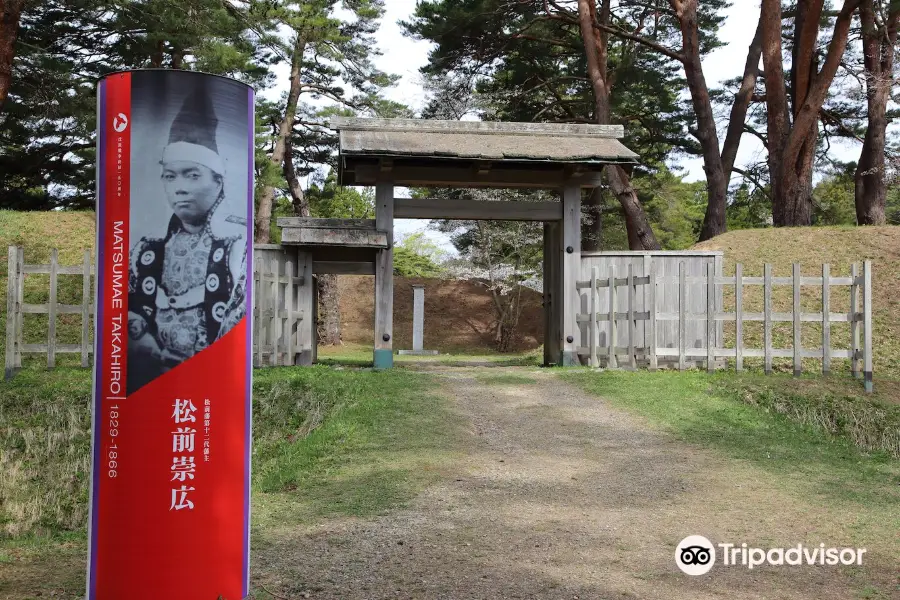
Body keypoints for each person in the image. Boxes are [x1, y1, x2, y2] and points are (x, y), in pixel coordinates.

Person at [127, 89, 247, 395]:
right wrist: (143, 342)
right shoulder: (146, 249)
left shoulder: (237, 246)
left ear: (218, 180)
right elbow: (126, 308)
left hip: (211, 385)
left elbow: (237, 323)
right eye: (170, 176)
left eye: (192, 175)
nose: (179, 188)